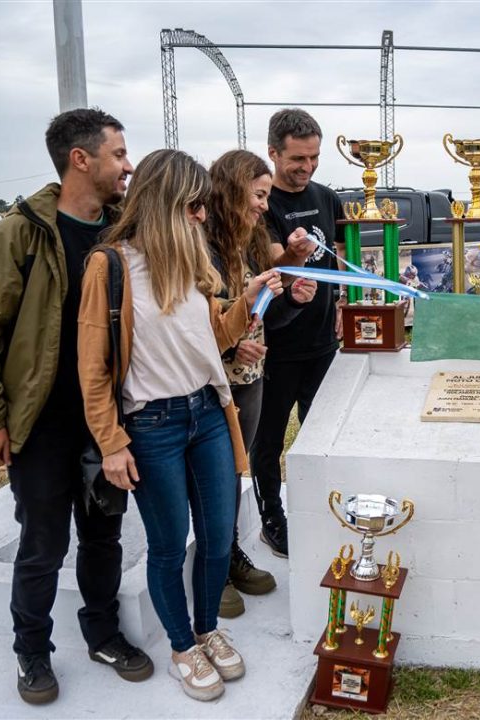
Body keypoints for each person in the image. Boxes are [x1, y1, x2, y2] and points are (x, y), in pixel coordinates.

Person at [78, 149, 284, 701]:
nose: (202, 215)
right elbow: (93, 367)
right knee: (169, 546)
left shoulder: (195, 263)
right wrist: (112, 442)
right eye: (194, 204)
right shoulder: (111, 265)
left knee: (219, 537)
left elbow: (213, 338)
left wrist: (248, 299)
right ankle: (180, 645)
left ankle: (206, 629)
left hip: (209, 413)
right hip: (152, 425)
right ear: (167, 201)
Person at [0, 108, 152, 705]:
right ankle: (32, 652)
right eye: (118, 154)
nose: (127, 166)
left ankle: (104, 634)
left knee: (104, 535)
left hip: (107, 420)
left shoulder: (122, 233)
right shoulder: (20, 233)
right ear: (80, 159)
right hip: (41, 424)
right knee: (42, 544)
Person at [205, 150, 317, 617]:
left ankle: (229, 556)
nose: (262, 207)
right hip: (209, 378)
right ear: (232, 189)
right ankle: (211, 572)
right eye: (257, 195)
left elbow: (263, 310)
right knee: (210, 478)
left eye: (266, 197)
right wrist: (231, 348)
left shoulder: (252, 239)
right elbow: (193, 318)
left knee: (233, 471)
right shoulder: (199, 242)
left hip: (249, 377)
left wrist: (292, 298)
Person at [251, 109, 345, 558]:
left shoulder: (328, 197)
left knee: (321, 434)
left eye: (314, 157)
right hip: (276, 346)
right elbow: (272, 263)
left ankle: (320, 510)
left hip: (323, 343)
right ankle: (272, 516)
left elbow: (341, 254)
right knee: (268, 439)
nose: (306, 167)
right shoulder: (262, 205)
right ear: (272, 152)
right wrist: (292, 254)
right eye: (296, 158)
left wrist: (342, 303)